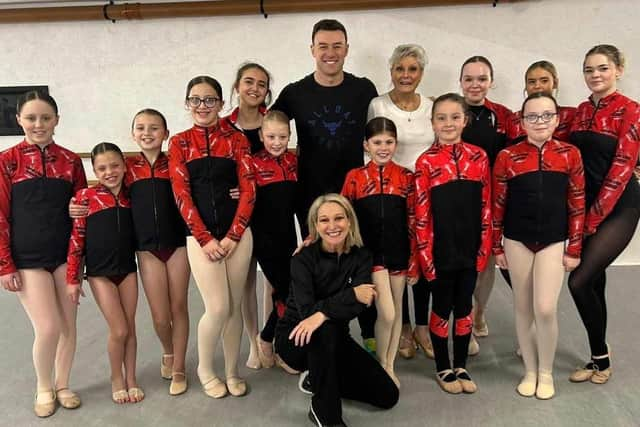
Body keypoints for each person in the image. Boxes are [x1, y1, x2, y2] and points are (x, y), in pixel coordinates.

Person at [272, 18, 379, 354]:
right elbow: (264, 130)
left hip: (355, 192)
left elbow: (382, 135)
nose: (330, 53)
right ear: (312, 50)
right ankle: (319, 335)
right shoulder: (294, 92)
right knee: (316, 265)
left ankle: (369, 332)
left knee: (359, 259)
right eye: (323, 46)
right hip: (311, 195)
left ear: (346, 49)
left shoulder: (364, 89)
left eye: (337, 46)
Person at [274, 194, 398, 427]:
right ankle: (325, 414)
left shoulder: (361, 256)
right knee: (324, 330)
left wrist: (323, 313)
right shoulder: (302, 260)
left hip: (337, 338)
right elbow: (308, 312)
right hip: (295, 337)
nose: (332, 226)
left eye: (339, 218)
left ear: (349, 221)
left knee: (388, 395)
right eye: (324, 220)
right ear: (315, 226)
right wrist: (351, 294)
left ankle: (318, 377)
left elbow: (363, 303)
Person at [493, 93, 585, 399]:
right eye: (532, 116)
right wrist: (496, 245)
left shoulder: (570, 154)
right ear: (522, 121)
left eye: (546, 115)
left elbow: (577, 203)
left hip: (554, 240)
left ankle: (545, 372)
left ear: (557, 118)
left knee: (545, 308)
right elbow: (498, 204)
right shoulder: (508, 157)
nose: (540, 122)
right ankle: (530, 371)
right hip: (517, 240)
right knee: (523, 306)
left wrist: (574, 247)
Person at [0, 91, 86, 417]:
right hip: (27, 259)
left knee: (68, 327)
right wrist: (5, 264)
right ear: (19, 120)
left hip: (65, 255)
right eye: (32, 118)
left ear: (56, 121)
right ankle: (44, 386)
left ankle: (63, 384)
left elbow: (80, 214)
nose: (39, 124)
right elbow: (1, 216)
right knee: (47, 327)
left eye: (45, 118)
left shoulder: (70, 161)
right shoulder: (7, 161)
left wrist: (77, 262)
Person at [168, 75, 255, 398]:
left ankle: (232, 371)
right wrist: (204, 238)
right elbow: (181, 194)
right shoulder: (179, 142)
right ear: (187, 103)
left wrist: (234, 234)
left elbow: (248, 188)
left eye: (209, 100)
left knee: (233, 307)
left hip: (238, 234)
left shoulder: (236, 139)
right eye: (195, 99)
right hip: (200, 238)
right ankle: (206, 367)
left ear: (221, 103)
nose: (202, 106)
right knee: (217, 307)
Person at [567, 44, 640, 384]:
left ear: (619, 69)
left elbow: (622, 169)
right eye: (589, 69)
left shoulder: (631, 111)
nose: (595, 75)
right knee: (594, 281)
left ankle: (600, 356)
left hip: (621, 207)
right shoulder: (581, 111)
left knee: (579, 280)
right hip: (586, 207)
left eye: (602, 68)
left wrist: (591, 220)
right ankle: (599, 359)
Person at [414, 93, 491, 394]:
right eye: (441, 118)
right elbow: (420, 215)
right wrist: (426, 258)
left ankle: (461, 365)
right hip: (440, 252)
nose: (448, 123)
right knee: (442, 307)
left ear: (465, 120)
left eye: (454, 117)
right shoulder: (426, 162)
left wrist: (484, 249)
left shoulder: (479, 157)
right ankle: (443, 367)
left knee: (464, 308)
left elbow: (486, 206)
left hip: (471, 250)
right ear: (432, 122)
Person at [367, 43, 435, 360]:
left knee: (421, 257)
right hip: (389, 194)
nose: (406, 75)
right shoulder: (378, 105)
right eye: (400, 69)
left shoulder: (431, 105)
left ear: (421, 73)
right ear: (391, 71)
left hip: (425, 193)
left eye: (412, 69)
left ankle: (423, 325)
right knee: (396, 258)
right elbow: (370, 146)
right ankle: (404, 327)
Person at [341, 117, 418, 387]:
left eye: (388, 142)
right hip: (369, 255)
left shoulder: (406, 177)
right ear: (366, 145)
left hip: (399, 252)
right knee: (386, 312)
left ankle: (388, 364)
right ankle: (381, 364)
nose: (383, 147)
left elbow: (413, 219)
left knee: (396, 309)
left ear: (396, 144)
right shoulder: (355, 178)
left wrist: (415, 259)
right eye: (377, 142)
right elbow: (343, 218)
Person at [66, 142, 143, 404]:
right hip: (100, 273)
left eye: (114, 166)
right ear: (95, 170)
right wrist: (73, 279)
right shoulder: (86, 197)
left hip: (127, 270)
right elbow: (77, 240)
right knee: (119, 329)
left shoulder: (132, 197)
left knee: (130, 327)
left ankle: (131, 377)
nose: (109, 172)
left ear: (124, 165)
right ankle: (116, 378)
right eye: (102, 168)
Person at [459, 56, 513, 352]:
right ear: (461, 82)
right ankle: (465, 318)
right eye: (469, 78)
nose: (475, 84)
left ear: (490, 82)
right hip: (460, 200)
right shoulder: (451, 112)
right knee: (464, 263)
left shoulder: (503, 116)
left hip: (492, 201)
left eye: (482, 78)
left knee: (486, 265)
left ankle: (480, 310)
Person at [224, 62, 273, 370]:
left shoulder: (274, 122)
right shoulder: (224, 126)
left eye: (262, 84)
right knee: (245, 282)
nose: (255, 88)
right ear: (237, 86)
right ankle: (253, 340)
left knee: (271, 278)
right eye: (249, 82)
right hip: (237, 212)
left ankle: (270, 339)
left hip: (269, 209)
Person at [251, 110, 298, 369]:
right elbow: (242, 193)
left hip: (289, 237)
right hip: (265, 240)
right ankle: (270, 339)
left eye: (282, 136)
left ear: (290, 136)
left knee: (289, 291)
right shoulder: (252, 163)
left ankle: (275, 342)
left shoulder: (293, 162)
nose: (277, 142)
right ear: (261, 135)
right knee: (288, 291)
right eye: (271, 136)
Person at [507, 60, 577, 144]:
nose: (537, 86)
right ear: (526, 85)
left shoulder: (572, 115)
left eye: (544, 81)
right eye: (532, 82)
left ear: (555, 83)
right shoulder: (514, 119)